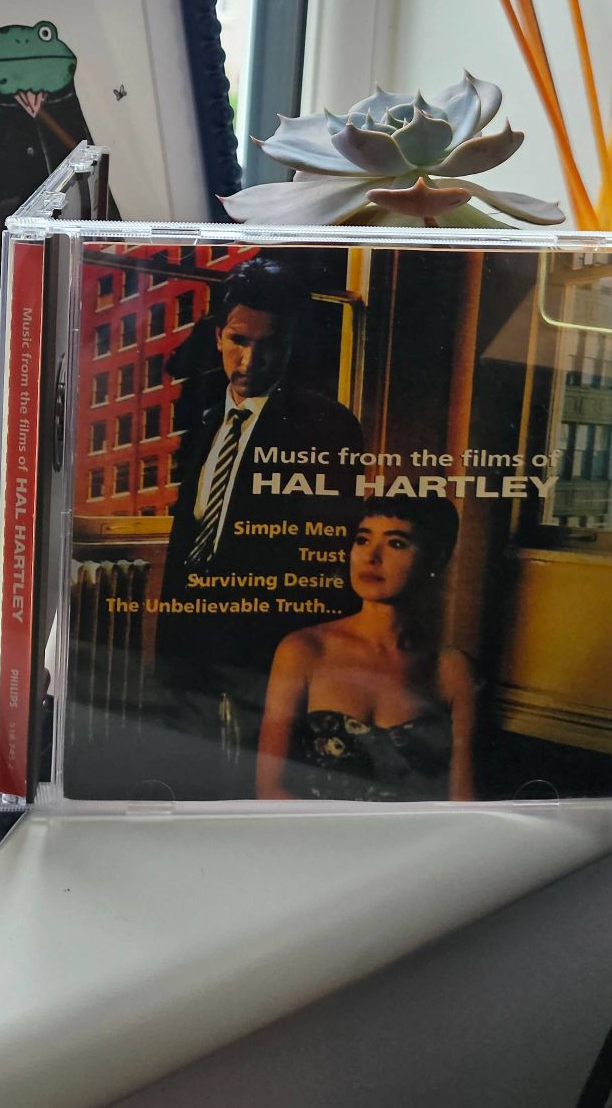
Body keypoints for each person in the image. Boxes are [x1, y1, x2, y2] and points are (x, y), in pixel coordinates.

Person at [142, 259, 367, 798]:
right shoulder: (203, 424)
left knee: (254, 786)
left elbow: (324, 556)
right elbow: (189, 533)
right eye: (238, 341)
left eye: (269, 345)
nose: (250, 360)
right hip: (191, 639)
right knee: (186, 779)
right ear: (220, 337)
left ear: (292, 345)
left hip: (263, 649)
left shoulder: (327, 426)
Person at [254, 495, 476, 801]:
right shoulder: (304, 650)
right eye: (362, 540)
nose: (371, 556)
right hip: (317, 840)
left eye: (396, 543)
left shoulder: (452, 670)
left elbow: (463, 804)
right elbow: (271, 788)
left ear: (435, 560)